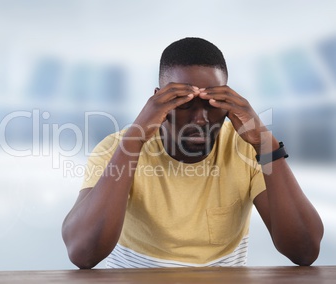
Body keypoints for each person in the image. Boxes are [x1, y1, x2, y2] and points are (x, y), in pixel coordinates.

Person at [61, 37, 324, 269]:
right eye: (184, 103)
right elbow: (83, 254)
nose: (200, 118)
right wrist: (134, 140)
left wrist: (264, 143)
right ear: (157, 101)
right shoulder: (117, 147)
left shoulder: (246, 148)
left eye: (213, 103)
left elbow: (304, 251)